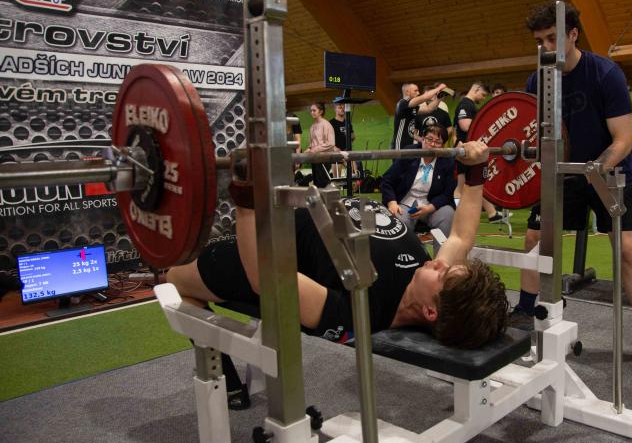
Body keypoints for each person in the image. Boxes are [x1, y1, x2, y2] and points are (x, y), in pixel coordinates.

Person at [166, 139, 507, 352]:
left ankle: (215, 366)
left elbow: (268, 280)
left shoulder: (359, 312)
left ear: (431, 312)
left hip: (266, 246)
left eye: (444, 274)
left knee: (173, 279)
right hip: (293, 212)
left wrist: (245, 195)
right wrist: (475, 169)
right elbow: (461, 237)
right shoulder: (426, 276)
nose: (440, 262)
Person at [512, 1, 632, 374]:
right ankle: (525, 311)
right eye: (540, 41)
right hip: (562, 173)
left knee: (627, 249)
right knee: (534, 239)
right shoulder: (537, 81)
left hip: (607, 171)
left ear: (573, 34)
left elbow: (623, 139)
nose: (547, 47)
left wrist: (593, 171)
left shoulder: (605, 73)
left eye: (553, 38)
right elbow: (538, 136)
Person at [381, 123, 457, 237]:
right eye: (429, 139)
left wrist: (429, 208)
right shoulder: (409, 153)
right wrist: (392, 202)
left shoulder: (448, 161)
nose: (432, 144)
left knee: (448, 215)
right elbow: (387, 180)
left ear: (443, 145)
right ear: (422, 139)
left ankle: (443, 249)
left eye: (438, 142)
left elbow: (448, 193)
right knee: (398, 221)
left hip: (431, 206)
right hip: (404, 204)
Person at [453, 81, 504, 223]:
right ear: (475, 89)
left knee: (475, 183)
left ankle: (492, 214)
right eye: (483, 94)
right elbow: (464, 126)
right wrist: (487, 124)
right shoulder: (465, 104)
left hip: (470, 150)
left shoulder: (470, 105)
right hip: (465, 151)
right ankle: (458, 217)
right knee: (461, 186)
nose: (483, 98)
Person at [393, 82, 449, 149]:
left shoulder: (411, 107)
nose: (418, 93)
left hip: (409, 145)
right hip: (400, 146)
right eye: (415, 91)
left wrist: (439, 98)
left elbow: (429, 109)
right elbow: (424, 97)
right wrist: (439, 88)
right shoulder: (403, 102)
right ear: (407, 92)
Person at [306, 101, 338, 187]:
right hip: (314, 158)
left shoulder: (326, 125)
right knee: (316, 184)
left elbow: (331, 143)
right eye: (311, 110)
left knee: (323, 183)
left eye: (314, 110)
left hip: (324, 158)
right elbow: (311, 144)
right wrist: (308, 149)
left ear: (321, 112)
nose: (312, 112)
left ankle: (328, 195)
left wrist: (315, 149)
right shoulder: (312, 126)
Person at [329, 101, 357, 178]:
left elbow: (353, 137)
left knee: (354, 176)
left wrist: (351, 136)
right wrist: (334, 148)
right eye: (340, 107)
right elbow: (327, 140)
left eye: (344, 107)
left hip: (347, 152)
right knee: (337, 179)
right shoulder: (331, 123)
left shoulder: (347, 123)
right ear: (335, 109)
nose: (342, 109)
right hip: (336, 153)